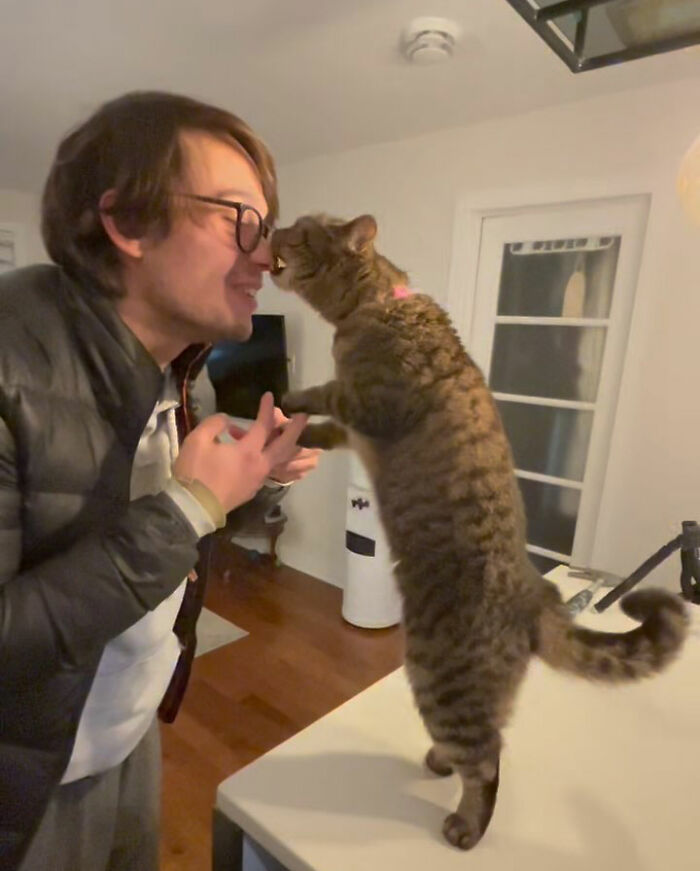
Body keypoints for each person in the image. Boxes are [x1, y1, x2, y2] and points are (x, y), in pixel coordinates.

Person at [0, 90, 320, 871]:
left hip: (125, 733)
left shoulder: (174, 366)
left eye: (268, 228)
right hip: (27, 782)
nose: (267, 256)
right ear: (127, 223)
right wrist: (189, 508)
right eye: (238, 218)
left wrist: (241, 479)